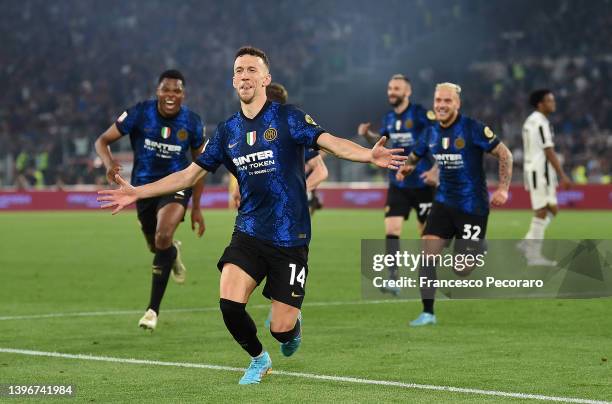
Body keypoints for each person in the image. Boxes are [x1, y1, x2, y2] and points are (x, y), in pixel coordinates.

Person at [98, 46, 407, 384]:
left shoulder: (289, 118)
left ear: (265, 78)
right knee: (229, 303)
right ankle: (259, 359)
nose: (244, 75)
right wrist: (136, 191)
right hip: (248, 232)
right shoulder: (227, 132)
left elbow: (330, 141)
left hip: (290, 237)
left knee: (281, 328)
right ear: (233, 81)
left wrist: (367, 155)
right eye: (239, 70)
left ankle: (290, 329)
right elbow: (188, 175)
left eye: (251, 70)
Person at [94, 69, 206, 331]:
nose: (171, 95)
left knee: (163, 235)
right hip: (142, 190)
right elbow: (102, 141)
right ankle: (173, 253)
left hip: (176, 187)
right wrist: (109, 162)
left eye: (176, 90)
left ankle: (152, 310)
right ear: (158, 91)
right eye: (166, 89)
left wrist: (197, 208)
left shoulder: (193, 122)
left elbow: (202, 166)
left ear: (183, 94)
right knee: (157, 247)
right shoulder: (139, 113)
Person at [398, 82, 513, 326]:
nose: (441, 105)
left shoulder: (473, 129)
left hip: (473, 207)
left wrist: (503, 188)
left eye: (447, 101)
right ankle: (428, 312)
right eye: (438, 100)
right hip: (443, 202)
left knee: (462, 269)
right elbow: (415, 156)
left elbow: (505, 153)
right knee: (427, 255)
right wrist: (406, 168)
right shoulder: (430, 132)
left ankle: (477, 247)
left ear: (457, 104)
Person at [357, 74, 437, 294]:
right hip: (397, 183)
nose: (392, 92)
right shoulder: (389, 118)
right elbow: (381, 143)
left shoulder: (420, 114)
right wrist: (367, 135)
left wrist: (434, 168)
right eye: (390, 88)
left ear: (407, 92)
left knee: (427, 236)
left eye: (397, 88)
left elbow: (437, 134)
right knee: (392, 229)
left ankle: (428, 278)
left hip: (422, 183)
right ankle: (393, 278)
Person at [231, 82, 329, 215]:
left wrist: (297, 194)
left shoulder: (292, 132)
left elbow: (321, 171)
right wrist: (239, 188)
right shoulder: (255, 132)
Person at [517, 89, 571, 266]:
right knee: (542, 211)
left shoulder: (532, 120)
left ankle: (527, 242)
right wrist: (563, 175)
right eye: (549, 100)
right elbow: (549, 150)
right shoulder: (540, 123)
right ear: (540, 104)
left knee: (552, 209)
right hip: (540, 172)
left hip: (538, 171)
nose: (553, 103)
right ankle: (534, 256)